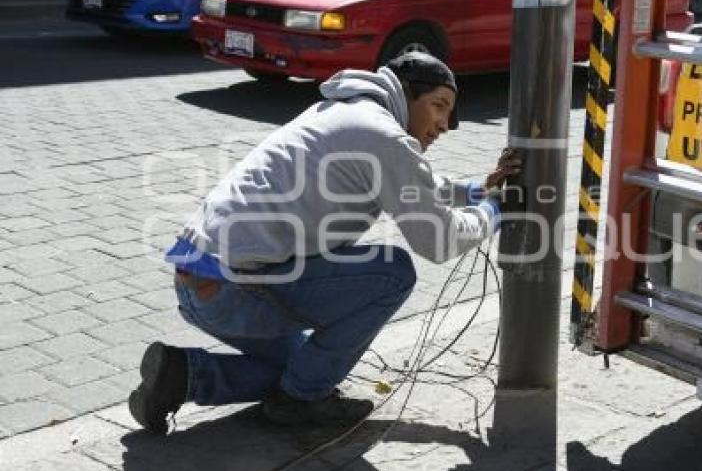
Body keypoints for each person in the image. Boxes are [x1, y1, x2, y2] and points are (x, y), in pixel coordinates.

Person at [128, 52, 522, 435]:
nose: (445, 123)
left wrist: (477, 191)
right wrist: (495, 211)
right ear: (405, 92)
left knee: (305, 367)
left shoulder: (345, 112)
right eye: (439, 106)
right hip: (236, 288)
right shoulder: (385, 138)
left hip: (196, 282)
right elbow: (441, 241)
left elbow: (416, 184)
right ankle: (301, 403)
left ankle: (181, 377)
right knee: (394, 272)